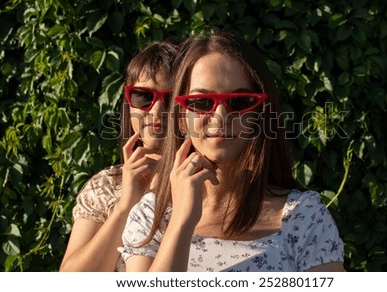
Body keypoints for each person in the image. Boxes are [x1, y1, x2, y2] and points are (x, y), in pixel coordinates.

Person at [119, 31, 345, 272]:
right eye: (201, 102)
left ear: (259, 115)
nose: (220, 116)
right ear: (181, 118)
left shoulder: (304, 218)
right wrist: (181, 221)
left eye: (239, 101)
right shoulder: (150, 217)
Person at [59, 40, 179, 271]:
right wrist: (125, 204)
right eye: (143, 97)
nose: (156, 111)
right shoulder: (106, 185)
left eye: (170, 98)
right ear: (129, 104)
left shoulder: (213, 184)